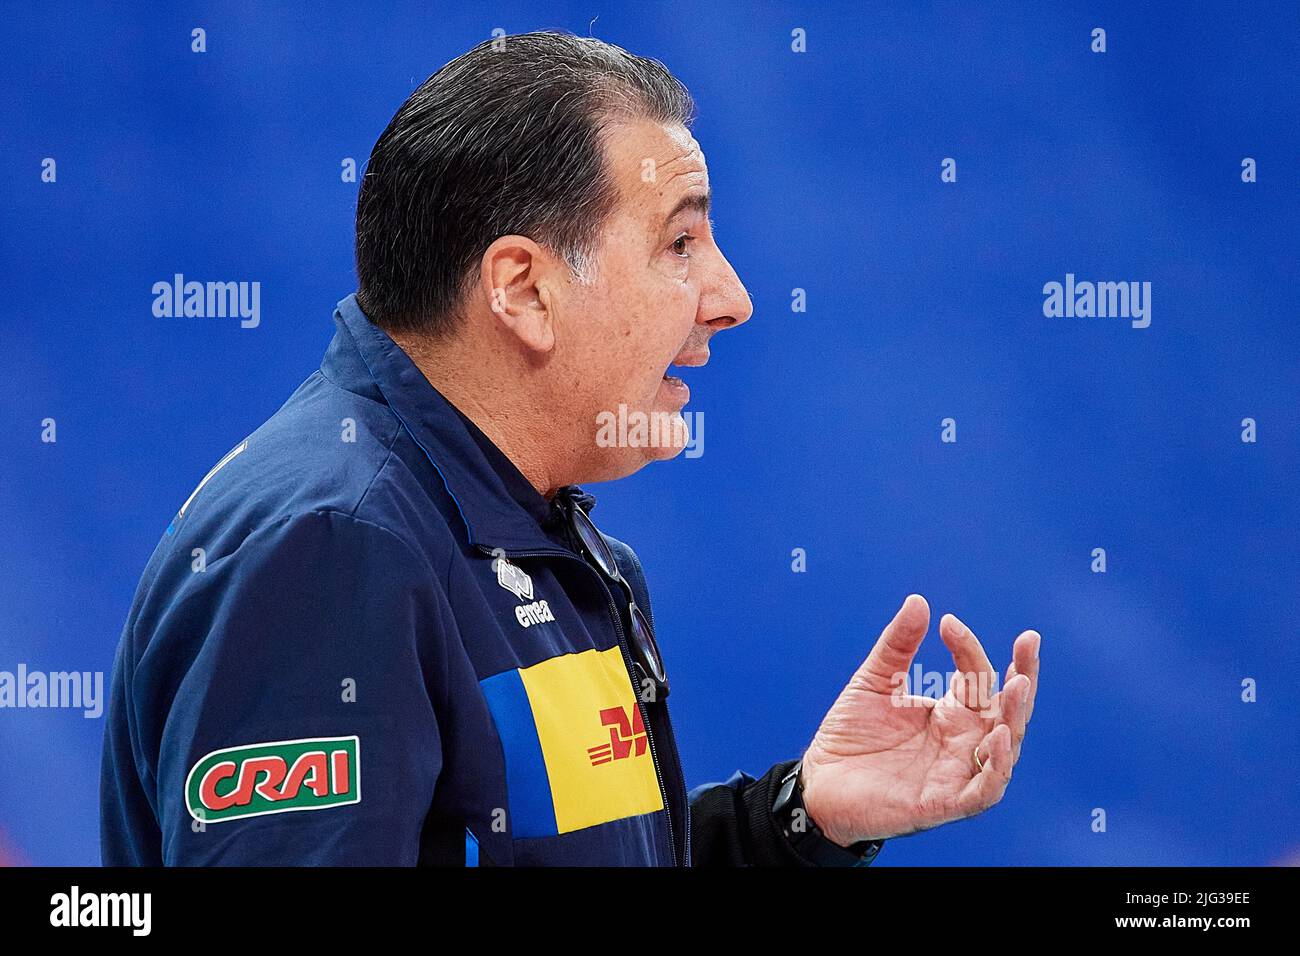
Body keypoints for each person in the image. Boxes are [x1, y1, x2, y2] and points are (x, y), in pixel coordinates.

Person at [101, 31, 1040, 866]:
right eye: (680, 242)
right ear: (524, 289)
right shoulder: (333, 550)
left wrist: (796, 821)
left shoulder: (520, 535)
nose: (731, 295)